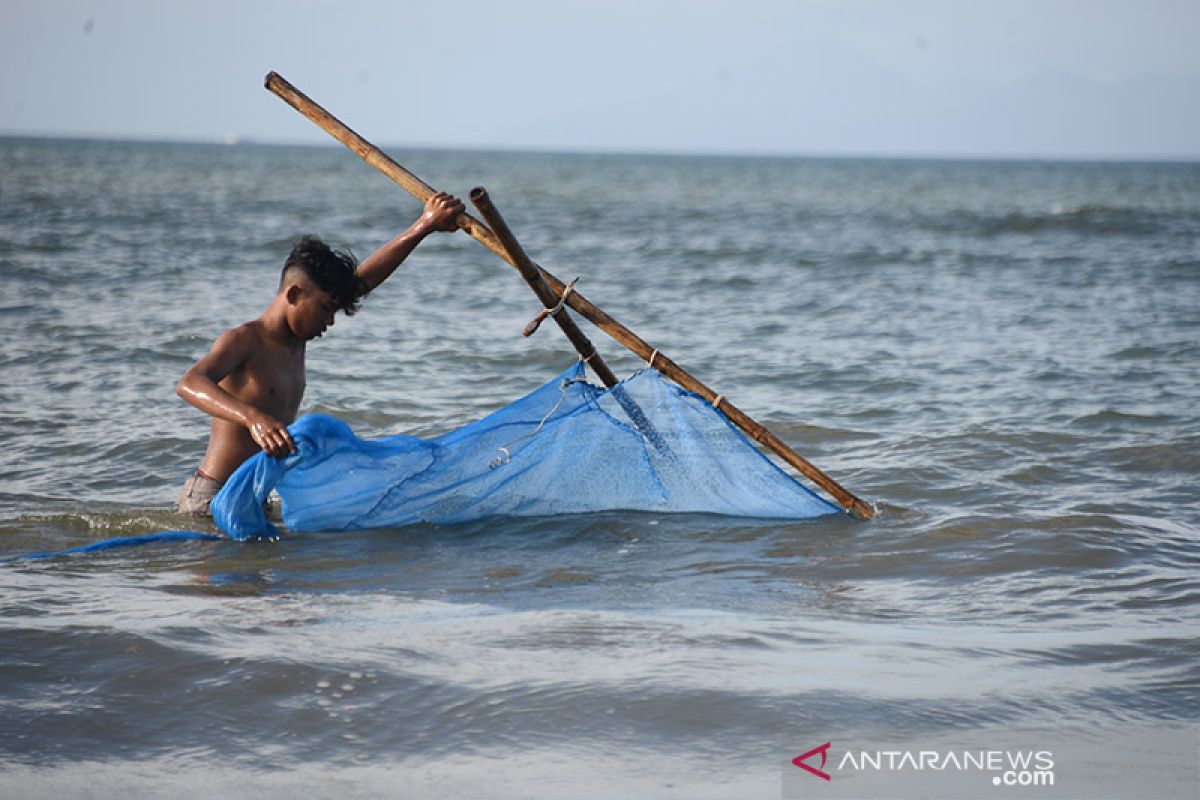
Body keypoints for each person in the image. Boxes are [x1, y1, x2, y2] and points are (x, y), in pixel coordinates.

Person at [174, 192, 465, 516]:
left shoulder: (296, 341)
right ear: (295, 294)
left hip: (256, 499)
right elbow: (189, 382)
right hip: (212, 498)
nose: (330, 321)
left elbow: (364, 281)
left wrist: (424, 226)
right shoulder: (247, 339)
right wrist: (252, 417)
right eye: (326, 309)